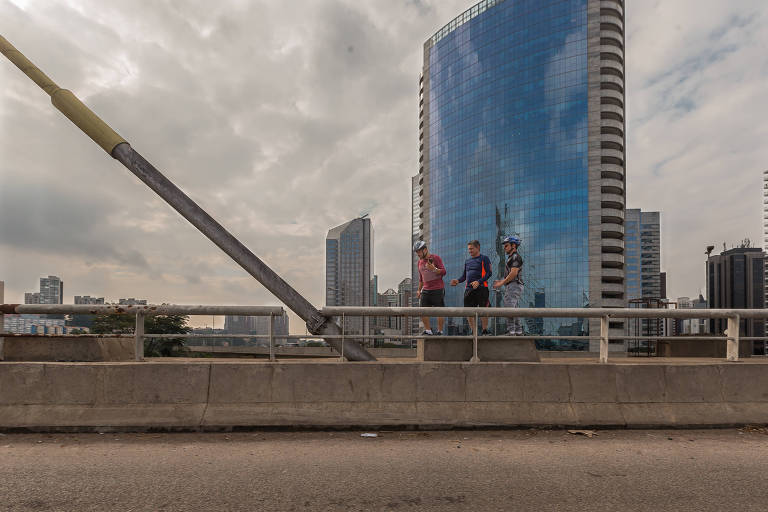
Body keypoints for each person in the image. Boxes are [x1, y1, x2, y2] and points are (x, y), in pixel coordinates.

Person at [450, 240, 492, 335]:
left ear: (478, 247)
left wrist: (479, 281)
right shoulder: (467, 261)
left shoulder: (484, 258)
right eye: (469, 249)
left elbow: (489, 273)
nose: (470, 251)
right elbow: (464, 276)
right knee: (468, 311)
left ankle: (485, 330)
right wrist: (457, 281)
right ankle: (473, 331)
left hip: (482, 288)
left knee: (483, 310)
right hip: (469, 289)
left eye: (471, 249)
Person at [413, 240, 446, 335]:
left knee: (439, 311)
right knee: (422, 310)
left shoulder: (435, 258)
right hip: (426, 290)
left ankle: (440, 331)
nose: (418, 254)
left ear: (425, 249)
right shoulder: (419, 262)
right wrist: (419, 290)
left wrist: (434, 269)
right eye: (416, 252)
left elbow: (444, 272)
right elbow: (421, 278)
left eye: (419, 251)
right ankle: (428, 330)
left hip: (438, 289)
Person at [493, 235, 524, 335]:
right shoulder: (512, 257)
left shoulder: (515, 257)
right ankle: (518, 331)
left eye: (506, 246)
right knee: (514, 308)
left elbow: (513, 273)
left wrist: (501, 282)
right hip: (514, 285)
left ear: (513, 245)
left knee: (509, 307)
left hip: (514, 284)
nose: (504, 248)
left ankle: (511, 331)